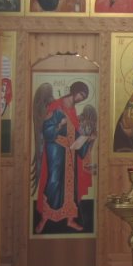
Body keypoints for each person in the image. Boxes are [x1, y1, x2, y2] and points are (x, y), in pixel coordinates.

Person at [33, 81, 96, 234]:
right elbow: (47, 132)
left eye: (83, 97)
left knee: (71, 186)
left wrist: (88, 139)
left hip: (70, 153)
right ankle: (44, 219)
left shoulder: (72, 110)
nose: (80, 98)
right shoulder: (56, 106)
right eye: (80, 94)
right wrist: (59, 125)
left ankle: (70, 219)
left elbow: (76, 133)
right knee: (53, 182)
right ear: (75, 91)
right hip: (55, 151)